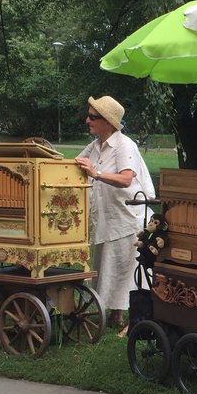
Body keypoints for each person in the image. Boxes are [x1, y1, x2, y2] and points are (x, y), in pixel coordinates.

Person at [74, 96, 154, 332]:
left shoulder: (124, 145)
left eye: (92, 116)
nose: (87, 119)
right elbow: (76, 162)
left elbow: (126, 178)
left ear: (108, 122)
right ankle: (112, 313)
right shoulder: (97, 144)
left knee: (125, 267)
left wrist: (96, 173)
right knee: (108, 264)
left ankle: (129, 315)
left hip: (128, 216)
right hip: (109, 216)